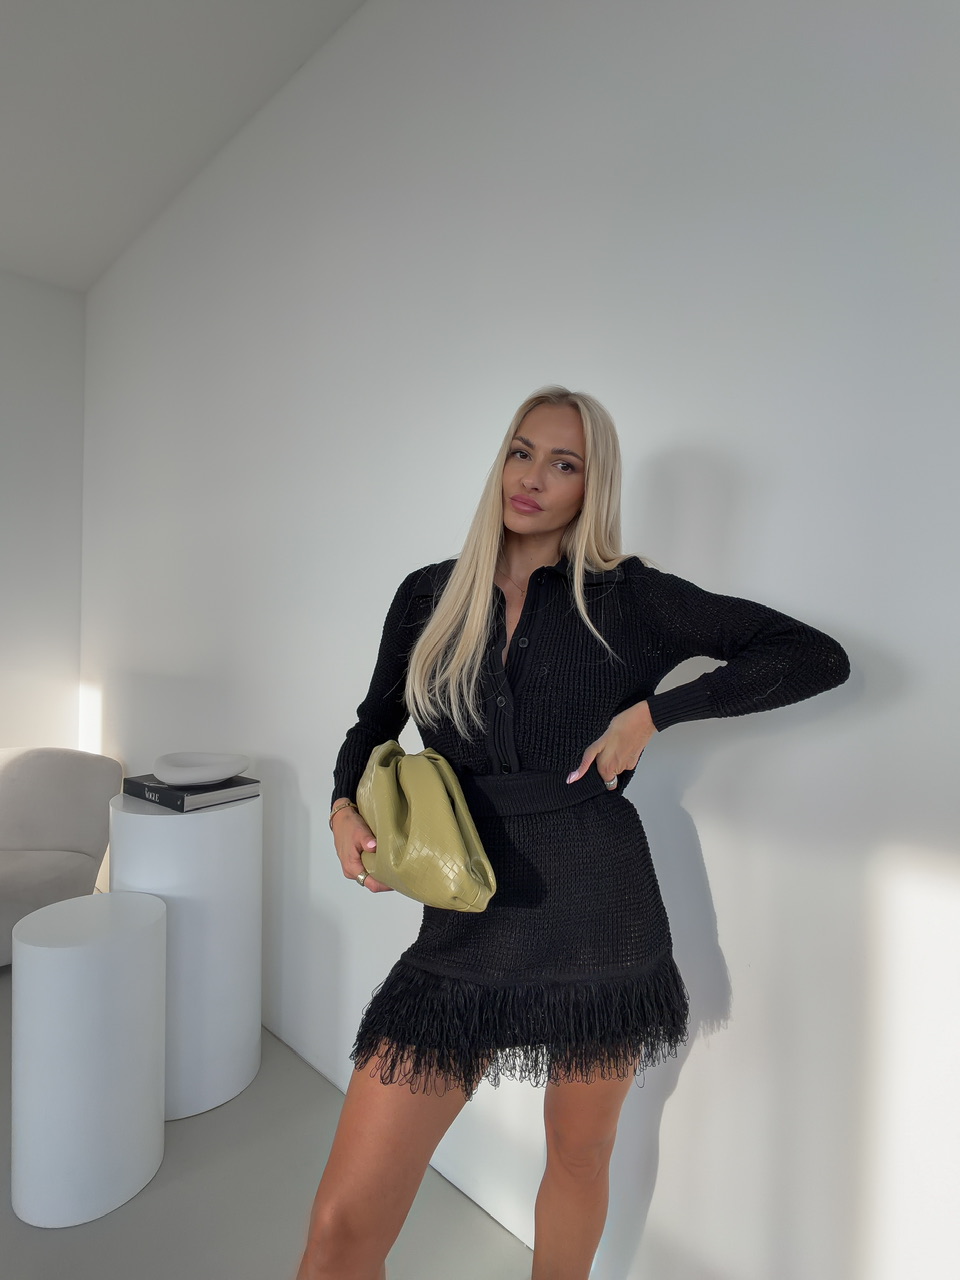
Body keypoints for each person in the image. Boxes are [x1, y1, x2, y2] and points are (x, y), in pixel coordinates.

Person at [297, 387, 850, 1280]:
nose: (534, 478)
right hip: (465, 920)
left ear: (593, 486)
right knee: (339, 1226)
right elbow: (373, 725)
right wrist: (340, 807)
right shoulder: (430, 594)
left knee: (580, 1155)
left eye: (565, 464)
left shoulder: (629, 599)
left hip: (600, 912)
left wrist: (654, 715)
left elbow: (814, 655)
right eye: (522, 452)